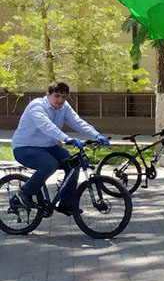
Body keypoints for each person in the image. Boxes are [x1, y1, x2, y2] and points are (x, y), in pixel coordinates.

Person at [10, 81, 110, 214]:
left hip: (48, 147)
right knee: (49, 164)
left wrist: (96, 134)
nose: (60, 100)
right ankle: (24, 194)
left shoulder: (64, 107)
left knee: (74, 163)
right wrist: (67, 138)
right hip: (25, 148)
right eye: (57, 96)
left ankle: (66, 203)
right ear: (48, 94)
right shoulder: (37, 106)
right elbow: (47, 126)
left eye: (63, 97)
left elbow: (77, 122)